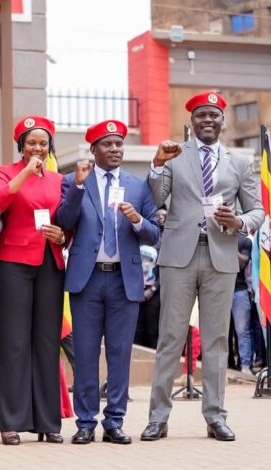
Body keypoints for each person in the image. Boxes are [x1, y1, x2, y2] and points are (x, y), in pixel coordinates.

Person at [142, 91, 264, 442]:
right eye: (201, 115)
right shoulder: (175, 155)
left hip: (221, 256)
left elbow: (257, 210)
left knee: (216, 340)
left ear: (222, 120)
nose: (208, 120)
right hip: (178, 257)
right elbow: (156, 198)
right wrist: (157, 164)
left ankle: (215, 416)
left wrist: (239, 222)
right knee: (170, 337)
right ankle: (158, 417)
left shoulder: (239, 162)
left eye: (213, 115)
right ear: (192, 121)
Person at [56, 120, 159, 445]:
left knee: (119, 354)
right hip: (86, 281)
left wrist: (137, 220)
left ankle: (114, 421)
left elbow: (154, 234)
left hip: (123, 281)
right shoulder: (75, 180)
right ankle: (85, 422)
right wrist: (78, 187)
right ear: (93, 149)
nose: (115, 149)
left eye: (119, 144)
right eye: (107, 144)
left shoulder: (137, 186)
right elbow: (64, 220)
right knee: (85, 355)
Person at [0, 116, 66, 446]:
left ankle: (48, 422)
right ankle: (11, 421)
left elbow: (68, 219)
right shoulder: (5, 172)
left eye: (43, 143)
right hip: (14, 265)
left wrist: (63, 235)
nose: (38, 148)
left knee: (47, 343)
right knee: (15, 343)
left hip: (50, 263)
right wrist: (25, 172)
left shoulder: (59, 180)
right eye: (31, 142)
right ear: (21, 146)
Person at [231, 235, 254, 375]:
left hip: (239, 290)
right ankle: (222, 364)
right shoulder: (218, 238)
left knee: (242, 330)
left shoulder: (245, 240)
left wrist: (229, 247)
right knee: (219, 331)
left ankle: (245, 365)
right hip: (221, 290)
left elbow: (242, 262)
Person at [135, 244, 161, 348]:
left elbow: (165, 273)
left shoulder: (163, 242)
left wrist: (153, 289)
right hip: (134, 293)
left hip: (154, 295)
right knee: (136, 331)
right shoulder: (136, 237)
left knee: (152, 332)